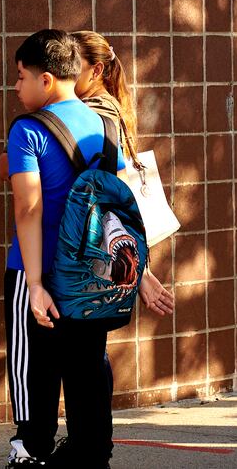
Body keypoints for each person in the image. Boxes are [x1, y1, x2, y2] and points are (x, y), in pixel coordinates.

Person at [2, 30, 130, 469]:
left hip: (34, 267)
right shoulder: (106, 124)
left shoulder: (27, 131)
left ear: (47, 79)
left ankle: (31, 449)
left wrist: (35, 283)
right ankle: (92, 451)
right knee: (88, 363)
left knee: (34, 365)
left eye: (20, 77)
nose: (15, 88)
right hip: (92, 272)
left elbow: (28, 209)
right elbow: (122, 198)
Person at [70, 30, 174, 318]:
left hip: (98, 246)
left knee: (88, 342)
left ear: (96, 70)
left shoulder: (95, 114)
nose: (64, 72)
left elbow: (114, 193)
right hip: (106, 245)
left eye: (73, 63)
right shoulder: (109, 107)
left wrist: (139, 268)